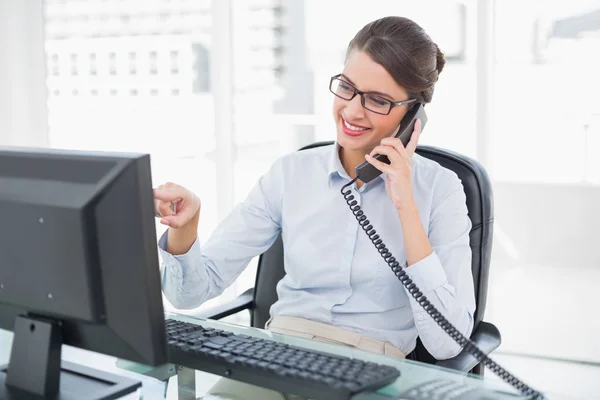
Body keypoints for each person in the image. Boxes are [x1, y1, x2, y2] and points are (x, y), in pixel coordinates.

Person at [154, 16, 476, 400]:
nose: (353, 112)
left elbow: (447, 345)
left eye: (377, 100)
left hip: (374, 374)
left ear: (411, 115)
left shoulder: (441, 189)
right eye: (347, 88)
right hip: (276, 358)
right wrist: (185, 230)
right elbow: (188, 294)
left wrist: (405, 207)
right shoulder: (291, 173)